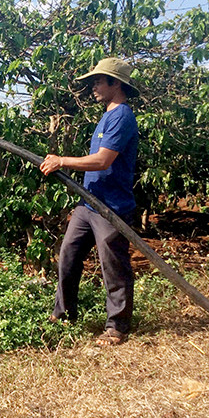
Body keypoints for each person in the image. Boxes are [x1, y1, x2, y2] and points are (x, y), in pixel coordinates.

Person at [39, 57, 139, 346]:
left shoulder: (122, 116)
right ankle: (64, 313)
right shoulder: (107, 116)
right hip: (89, 203)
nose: (93, 86)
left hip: (111, 207)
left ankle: (117, 326)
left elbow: (102, 160)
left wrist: (62, 161)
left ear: (115, 83)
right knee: (68, 254)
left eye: (98, 81)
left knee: (113, 267)